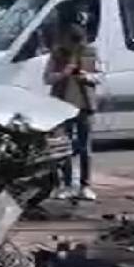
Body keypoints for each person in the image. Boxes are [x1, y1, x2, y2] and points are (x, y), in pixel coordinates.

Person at [45, 24, 101, 201]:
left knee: (85, 148)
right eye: (71, 43)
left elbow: (100, 75)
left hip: (85, 105)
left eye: (78, 43)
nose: (74, 47)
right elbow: (47, 78)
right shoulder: (57, 54)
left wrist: (85, 76)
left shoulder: (90, 53)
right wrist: (63, 73)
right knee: (65, 147)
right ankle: (67, 185)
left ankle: (86, 186)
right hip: (63, 106)